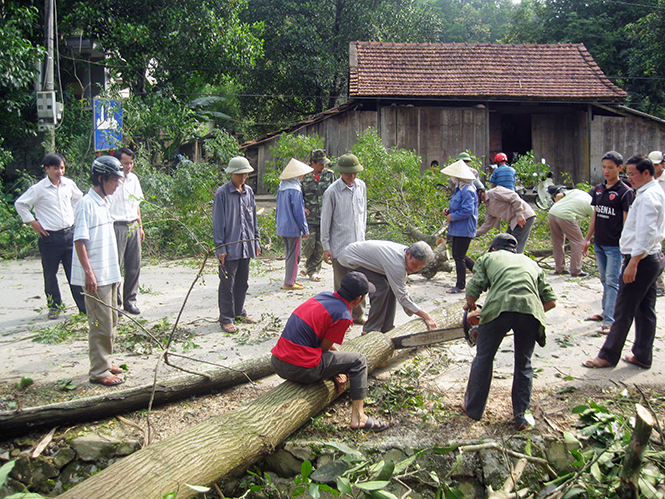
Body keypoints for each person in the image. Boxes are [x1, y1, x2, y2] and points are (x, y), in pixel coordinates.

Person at [271, 271, 389, 432]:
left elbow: (320, 341)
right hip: (299, 367)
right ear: (357, 299)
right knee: (359, 361)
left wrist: (337, 362)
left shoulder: (323, 296)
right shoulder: (343, 315)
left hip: (278, 361)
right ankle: (359, 417)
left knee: (345, 358)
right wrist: (336, 370)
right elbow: (324, 348)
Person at [462, 234, 557, 430]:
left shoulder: (488, 258)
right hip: (531, 311)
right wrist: (523, 312)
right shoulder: (531, 263)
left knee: (484, 358)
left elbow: (474, 288)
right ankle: (522, 417)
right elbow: (551, 301)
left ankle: (473, 410)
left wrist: (471, 305)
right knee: (524, 364)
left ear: (494, 249)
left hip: (498, 307)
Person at [584, 156, 665, 370]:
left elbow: (646, 233)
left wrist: (633, 262)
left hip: (642, 259)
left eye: (632, 174)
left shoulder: (648, 197)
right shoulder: (650, 192)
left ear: (646, 173)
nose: (629, 179)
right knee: (645, 310)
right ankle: (642, 355)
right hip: (651, 257)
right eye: (627, 174)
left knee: (623, 309)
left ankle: (608, 355)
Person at [71, 156, 125, 386]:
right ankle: (99, 371)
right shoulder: (86, 203)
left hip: (108, 273)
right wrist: (88, 273)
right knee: (100, 323)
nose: (117, 184)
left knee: (111, 320)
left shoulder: (103, 202)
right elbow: (80, 240)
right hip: (96, 276)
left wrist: (116, 274)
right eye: (114, 180)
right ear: (101, 178)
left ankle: (105, 360)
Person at [15, 153, 86, 319]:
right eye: (55, 168)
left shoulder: (68, 184)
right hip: (49, 237)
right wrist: (33, 222)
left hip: (69, 234)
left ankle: (83, 306)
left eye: (62, 167)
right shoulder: (39, 189)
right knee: (50, 273)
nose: (59, 171)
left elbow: (78, 198)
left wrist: (75, 215)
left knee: (74, 272)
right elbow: (20, 204)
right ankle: (54, 306)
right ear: (47, 169)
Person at [582, 151, 634, 334]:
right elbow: (596, 215)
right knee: (604, 279)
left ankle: (610, 320)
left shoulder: (625, 192)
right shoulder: (598, 189)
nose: (606, 171)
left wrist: (626, 246)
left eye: (610, 167)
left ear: (620, 168)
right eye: (604, 167)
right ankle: (606, 312)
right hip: (600, 243)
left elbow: (627, 222)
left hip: (615, 246)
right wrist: (587, 239)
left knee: (613, 281)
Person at [337, 240, 437, 334]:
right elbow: (402, 297)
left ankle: (387, 328)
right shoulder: (396, 263)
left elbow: (399, 288)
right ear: (408, 254)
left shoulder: (405, 255)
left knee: (391, 287)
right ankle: (370, 330)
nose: (415, 269)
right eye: (414, 265)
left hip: (366, 258)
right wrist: (426, 316)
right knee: (381, 287)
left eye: (420, 267)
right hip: (351, 259)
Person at [212, 156, 261, 333]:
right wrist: (220, 248)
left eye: (245, 174)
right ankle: (226, 318)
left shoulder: (249, 191)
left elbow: (253, 218)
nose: (243, 178)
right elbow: (218, 223)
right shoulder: (222, 193)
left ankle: (239, 312)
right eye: (239, 175)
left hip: (246, 245)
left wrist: (256, 240)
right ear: (231, 173)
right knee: (227, 284)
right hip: (229, 247)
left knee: (242, 282)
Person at [321, 153, 367, 324]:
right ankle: (342, 318)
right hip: (340, 246)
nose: (352, 176)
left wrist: (363, 238)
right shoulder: (332, 192)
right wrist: (326, 247)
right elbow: (325, 222)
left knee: (361, 282)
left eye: (355, 173)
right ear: (341, 172)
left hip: (359, 245)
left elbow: (363, 215)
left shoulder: (361, 186)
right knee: (342, 285)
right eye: (348, 173)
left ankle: (359, 315)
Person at [108, 148, 144, 315]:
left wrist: (140, 226)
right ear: (117, 163)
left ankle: (130, 301)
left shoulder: (134, 179)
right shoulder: (111, 181)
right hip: (116, 226)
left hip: (133, 225)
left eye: (130, 163)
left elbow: (137, 204)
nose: (128, 166)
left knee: (134, 266)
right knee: (115, 266)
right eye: (125, 163)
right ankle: (115, 303)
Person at [441, 159, 478, 293]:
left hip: (464, 228)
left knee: (459, 256)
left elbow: (468, 210)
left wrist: (453, 217)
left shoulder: (468, 190)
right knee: (459, 255)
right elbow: (458, 206)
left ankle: (460, 285)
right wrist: (449, 211)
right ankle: (479, 273)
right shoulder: (459, 189)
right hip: (457, 228)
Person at [300, 149, 336, 282]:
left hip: (326, 216)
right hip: (310, 217)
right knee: (309, 244)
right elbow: (299, 196)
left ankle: (312, 270)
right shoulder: (304, 177)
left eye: (324, 163)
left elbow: (335, 193)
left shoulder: (330, 175)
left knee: (321, 245)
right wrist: (302, 208)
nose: (323, 166)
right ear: (313, 163)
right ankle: (308, 265)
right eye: (320, 163)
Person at [276, 158, 312, 290]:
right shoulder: (295, 190)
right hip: (292, 227)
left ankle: (291, 279)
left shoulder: (282, 189)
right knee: (295, 255)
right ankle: (289, 282)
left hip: (282, 226)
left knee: (289, 254)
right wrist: (305, 229)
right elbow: (298, 212)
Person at [475, 183, 536, 254]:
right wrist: (473, 234)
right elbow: (488, 224)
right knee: (504, 244)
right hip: (513, 221)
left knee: (515, 246)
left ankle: (517, 262)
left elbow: (514, 197)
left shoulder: (495, 192)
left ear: (479, 192)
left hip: (524, 216)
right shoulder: (488, 207)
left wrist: (519, 214)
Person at [548, 188, 594, 276]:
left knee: (557, 242)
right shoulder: (591, 203)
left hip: (552, 212)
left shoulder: (577, 191)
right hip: (566, 215)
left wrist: (558, 208)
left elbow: (558, 195)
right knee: (578, 241)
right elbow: (595, 222)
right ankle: (576, 270)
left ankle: (559, 269)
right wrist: (587, 240)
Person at [648, 150, 665, 296]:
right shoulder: (647, 178)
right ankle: (658, 284)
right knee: (654, 250)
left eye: (656, 165)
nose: (653, 167)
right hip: (654, 222)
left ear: (662, 165)